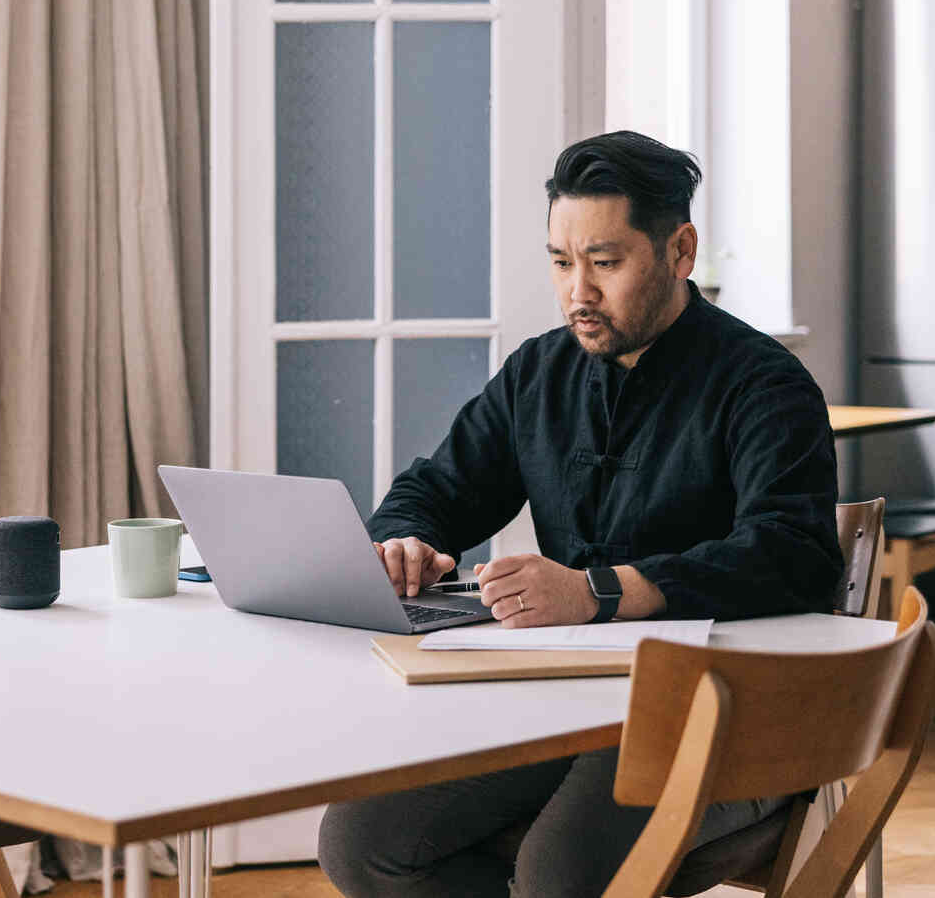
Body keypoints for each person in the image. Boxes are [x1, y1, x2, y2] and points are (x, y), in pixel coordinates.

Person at [317, 130, 843, 898]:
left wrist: (600, 590)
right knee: (362, 840)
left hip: (726, 713)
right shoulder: (539, 371)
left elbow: (794, 554)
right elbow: (437, 487)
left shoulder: (764, 384)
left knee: (562, 870)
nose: (578, 293)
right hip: (567, 704)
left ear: (680, 251)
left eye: (605, 262)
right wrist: (402, 540)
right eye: (562, 263)